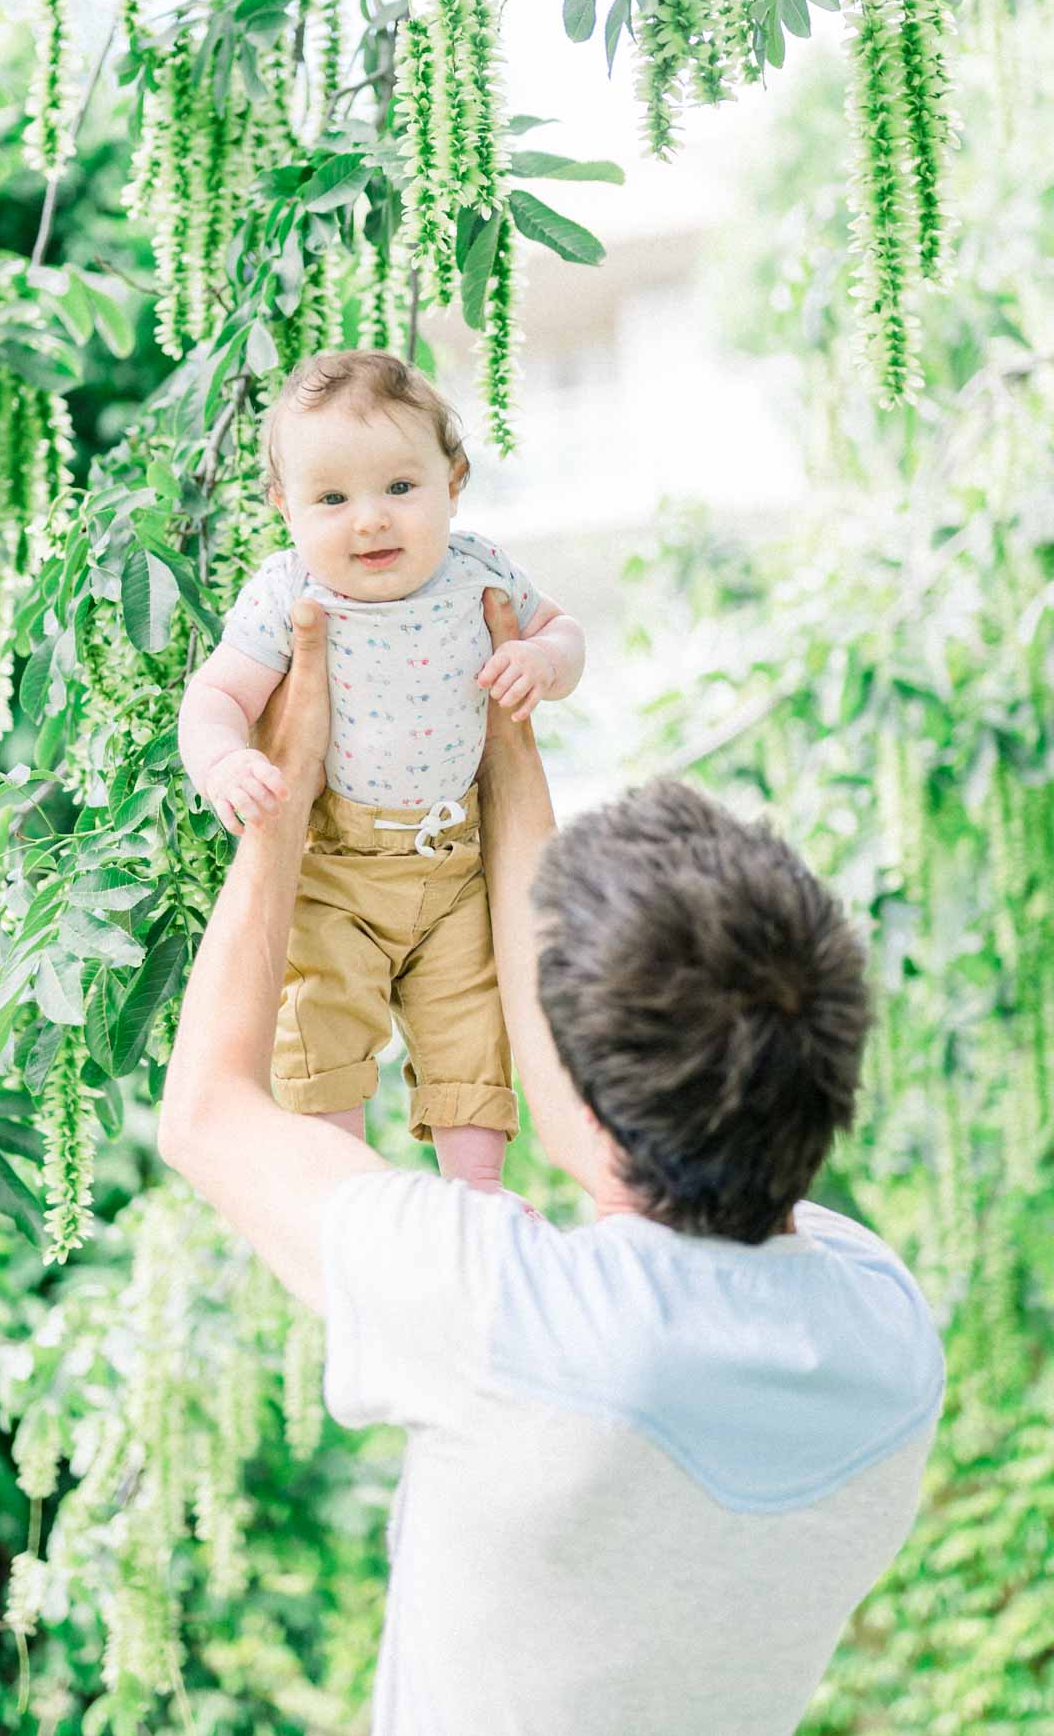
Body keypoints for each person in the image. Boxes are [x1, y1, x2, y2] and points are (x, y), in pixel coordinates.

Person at [158, 586, 947, 1736]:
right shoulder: (885, 1329)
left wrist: (279, 793)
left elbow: (206, 1112)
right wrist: (504, 739)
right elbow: (593, 1110)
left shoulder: (509, 1322)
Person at [176, 349, 583, 1203]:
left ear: (454, 479)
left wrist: (542, 659)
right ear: (284, 508)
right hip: (338, 868)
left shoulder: (479, 570)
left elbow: (565, 631)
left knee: (474, 1018)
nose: (370, 521)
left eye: (400, 488)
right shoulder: (288, 592)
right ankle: (346, 1186)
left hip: (455, 858)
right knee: (321, 1015)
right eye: (332, 499)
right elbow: (215, 692)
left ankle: (476, 1189)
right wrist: (225, 760)